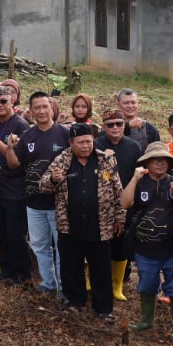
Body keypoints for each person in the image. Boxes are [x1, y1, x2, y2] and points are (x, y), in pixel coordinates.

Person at [41, 122, 122, 318]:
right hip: (69, 224)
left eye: (89, 142)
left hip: (100, 225)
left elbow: (118, 191)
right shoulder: (62, 160)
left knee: (101, 268)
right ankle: (75, 301)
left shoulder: (105, 160)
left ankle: (103, 308)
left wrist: (120, 218)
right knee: (71, 266)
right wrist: (53, 179)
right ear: (71, 143)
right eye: (81, 142)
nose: (86, 146)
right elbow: (42, 185)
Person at [122, 142, 173, 339]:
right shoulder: (140, 182)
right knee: (147, 284)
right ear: (147, 163)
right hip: (145, 248)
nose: (160, 163)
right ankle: (146, 319)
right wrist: (134, 179)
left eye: (164, 160)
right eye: (155, 160)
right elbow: (125, 203)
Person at [20, 92, 70, 295]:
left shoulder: (65, 134)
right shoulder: (27, 136)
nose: (41, 111)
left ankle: (64, 287)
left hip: (59, 203)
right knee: (40, 245)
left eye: (45, 106)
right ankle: (48, 282)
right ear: (31, 111)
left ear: (52, 109)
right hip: (34, 202)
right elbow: (18, 164)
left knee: (62, 247)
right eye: (37, 108)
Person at [0, 83, 31, 283]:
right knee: (0, 231)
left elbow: (16, 160)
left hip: (14, 187)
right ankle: (6, 268)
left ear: (12, 101)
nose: (0, 105)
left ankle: (22, 273)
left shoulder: (20, 125)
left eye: (4, 101)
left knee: (15, 233)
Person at [96, 108, 144, 301]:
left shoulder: (133, 146)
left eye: (119, 124)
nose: (115, 128)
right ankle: (94, 279)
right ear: (104, 127)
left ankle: (117, 285)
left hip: (126, 202)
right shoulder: (97, 144)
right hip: (101, 202)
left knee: (121, 243)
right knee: (99, 243)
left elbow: (138, 174)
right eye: (110, 125)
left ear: (124, 125)